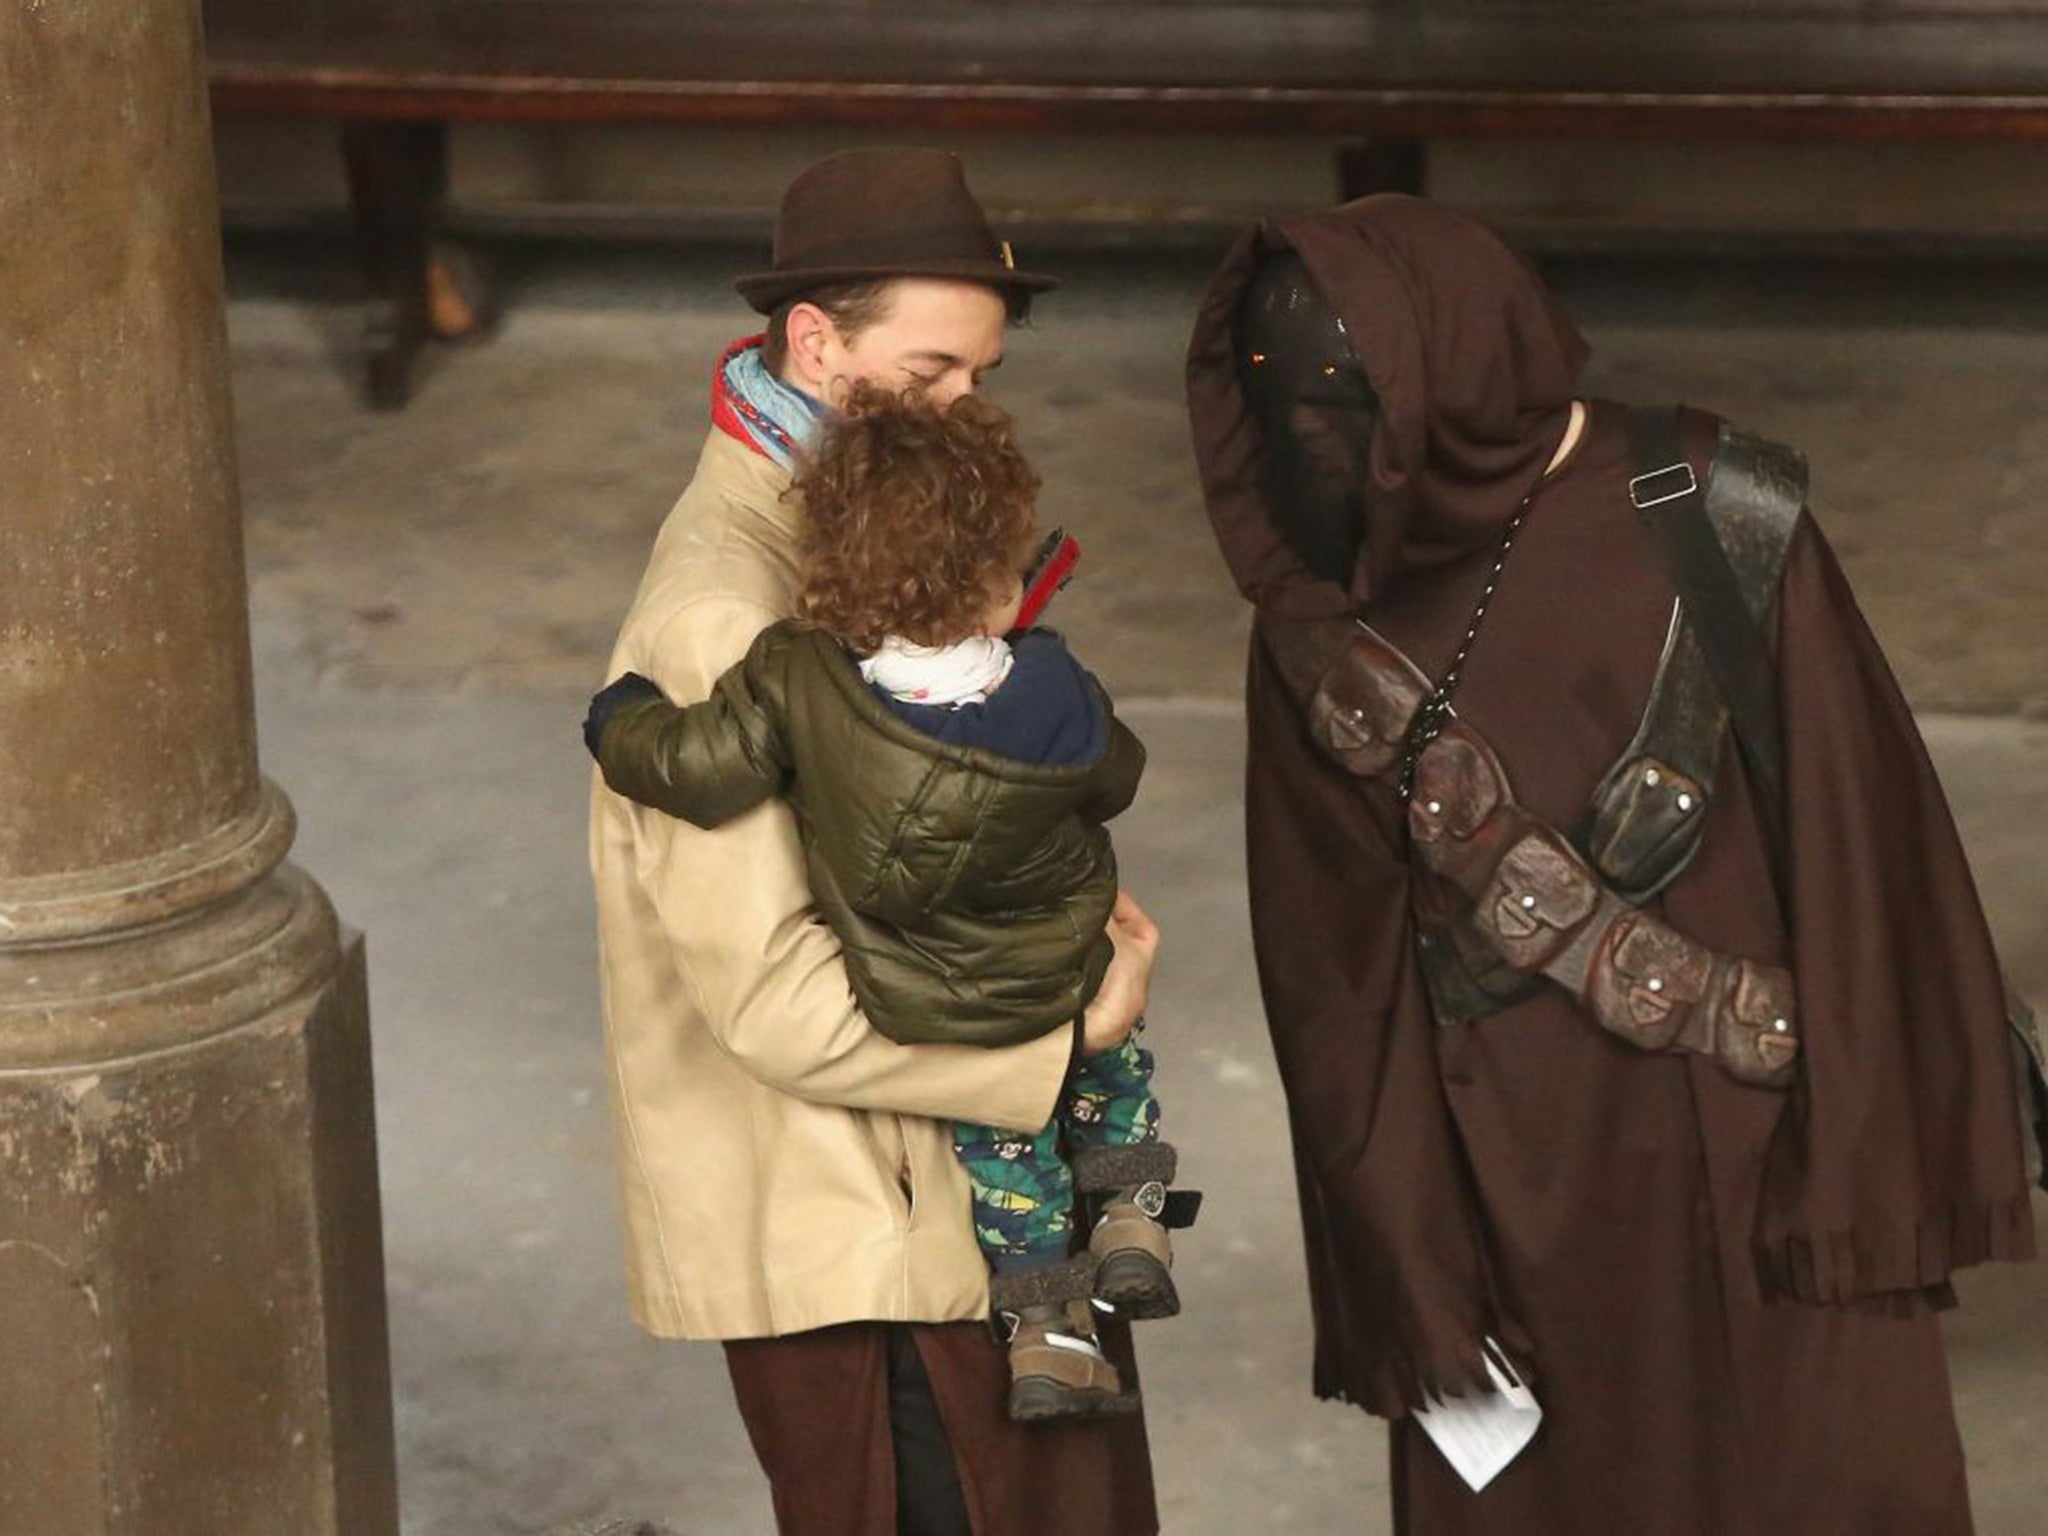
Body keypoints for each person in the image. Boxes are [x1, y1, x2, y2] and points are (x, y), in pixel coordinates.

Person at [1183, 194, 2038, 1532]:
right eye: (1275, 396)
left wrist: (1868, 1168)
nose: (1309, 436)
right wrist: (1409, 1261)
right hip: (1508, 1182)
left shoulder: (1714, 503)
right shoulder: (1316, 616)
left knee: (1816, 1485)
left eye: (1346, 396)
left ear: (1457, 359)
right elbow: (1332, 981)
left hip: (1768, 1157)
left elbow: (1865, 846)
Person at [588, 149, 1159, 1534]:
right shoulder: (727, 617)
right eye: (929, 375)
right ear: (813, 341)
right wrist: (1067, 1044)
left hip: (948, 1213)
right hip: (876, 1260)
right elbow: (776, 1001)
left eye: (982, 379)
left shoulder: (874, 529)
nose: (965, 410)